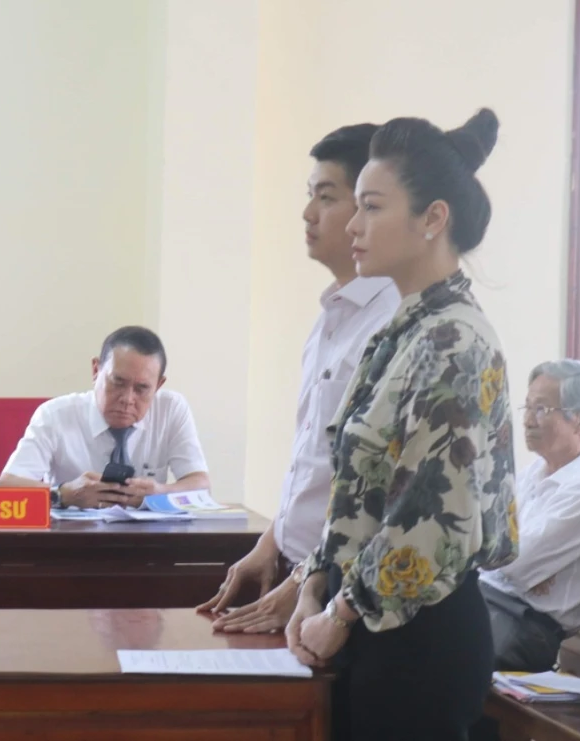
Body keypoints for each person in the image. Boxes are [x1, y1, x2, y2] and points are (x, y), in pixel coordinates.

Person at [284, 109, 519, 741]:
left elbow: (430, 518)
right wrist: (313, 582)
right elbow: (356, 490)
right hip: (368, 623)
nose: (353, 226)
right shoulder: (407, 328)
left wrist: (340, 611)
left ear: (432, 218)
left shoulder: (455, 341)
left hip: (418, 638)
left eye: (372, 207)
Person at [197, 124, 400, 632]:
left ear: (369, 206)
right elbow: (314, 459)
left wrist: (306, 581)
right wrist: (270, 543)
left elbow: (378, 489)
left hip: (344, 589)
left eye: (326, 197)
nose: (308, 213)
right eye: (310, 195)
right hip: (297, 572)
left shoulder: (391, 324)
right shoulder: (331, 317)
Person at [480, 360, 580, 672]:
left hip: (525, 629)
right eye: (527, 407)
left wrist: (504, 561)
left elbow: (510, 560)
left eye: (542, 410)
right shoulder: (537, 471)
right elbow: (496, 543)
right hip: (494, 604)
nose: (527, 421)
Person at [0, 326, 209, 508]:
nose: (127, 399)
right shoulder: (55, 415)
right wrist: (64, 494)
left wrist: (159, 492)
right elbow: (6, 487)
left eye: (142, 388)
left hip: (148, 539)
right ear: (96, 370)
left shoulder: (170, 409)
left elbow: (201, 484)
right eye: (118, 382)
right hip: (71, 538)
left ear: (158, 385)